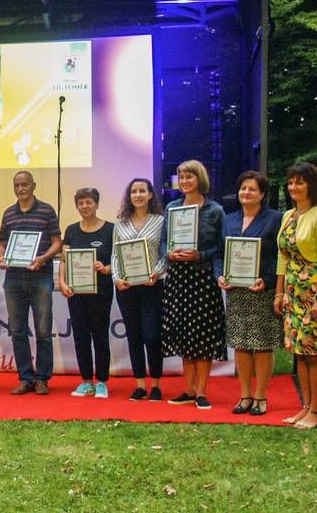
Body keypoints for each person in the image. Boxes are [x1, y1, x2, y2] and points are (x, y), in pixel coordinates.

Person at [214, 171, 282, 416]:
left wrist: (268, 280)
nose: (246, 193)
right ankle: (244, 395)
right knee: (241, 344)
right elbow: (220, 254)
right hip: (236, 292)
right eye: (243, 188)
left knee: (262, 344)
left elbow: (280, 256)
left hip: (261, 290)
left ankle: (261, 396)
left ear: (262, 194)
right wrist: (220, 274)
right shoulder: (229, 220)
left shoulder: (276, 219)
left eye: (252, 189)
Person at [275, 161, 317, 430]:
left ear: (311, 185)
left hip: (314, 289)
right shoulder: (288, 216)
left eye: (299, 182)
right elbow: (282, 256)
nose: (293, 187)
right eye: (290, 182)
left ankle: (316, 410)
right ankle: (305, 406)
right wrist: (279, 293)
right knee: (299, 351)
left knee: (314, 352)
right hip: (292, 290)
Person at [163, 159, 226, 410]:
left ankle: (201, 391)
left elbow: (221, 248)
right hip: (178, 279)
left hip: (203, 280)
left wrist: (199, 255)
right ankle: (189, 390)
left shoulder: (215, 211)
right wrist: (169, 254)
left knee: (203, 338)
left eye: (189, 176)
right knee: (185, 337)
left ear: (199, 179)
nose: (185, 181)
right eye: (181, 177)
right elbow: (163, 242)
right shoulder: (171, 208)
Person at [0, 170, 63, 395]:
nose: (21, 188)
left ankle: (43, 378)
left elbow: (57, 242)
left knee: (43, 330)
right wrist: (2, 255)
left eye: (25, 184)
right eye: (17, 185)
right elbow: (1, 242)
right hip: (14, 277)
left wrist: (44, 257)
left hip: (41, 275)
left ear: (34, 186)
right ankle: (26, 378)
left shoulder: (46, 210)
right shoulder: (8, 213)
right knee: (17, 331)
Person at [111, 177, 167, 401]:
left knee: (152, 335)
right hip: (126, 287)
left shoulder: (160, 221)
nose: (138, 195)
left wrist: (158, 272)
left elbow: (165, 253)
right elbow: (115, 254)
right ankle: (140, 385)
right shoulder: (120, 222)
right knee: (133, 335)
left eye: (142, 191)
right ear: (129, 195)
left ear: (150, 195)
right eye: (133, 191)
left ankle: (156, 384)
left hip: (152, 285)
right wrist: (116, 278)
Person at [56, 188, 114, 398]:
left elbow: (117, 261)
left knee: (100, 337)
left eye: (89, 202)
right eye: (81, 203)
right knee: (80, 337)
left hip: (101, 292)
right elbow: (64, 259)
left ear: (97, 204)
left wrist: (106, 268)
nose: (85, 207)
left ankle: (102, 382)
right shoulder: (71, 230)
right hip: (77, 293)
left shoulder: (110, 229)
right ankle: (86, 381)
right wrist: (62, 281)